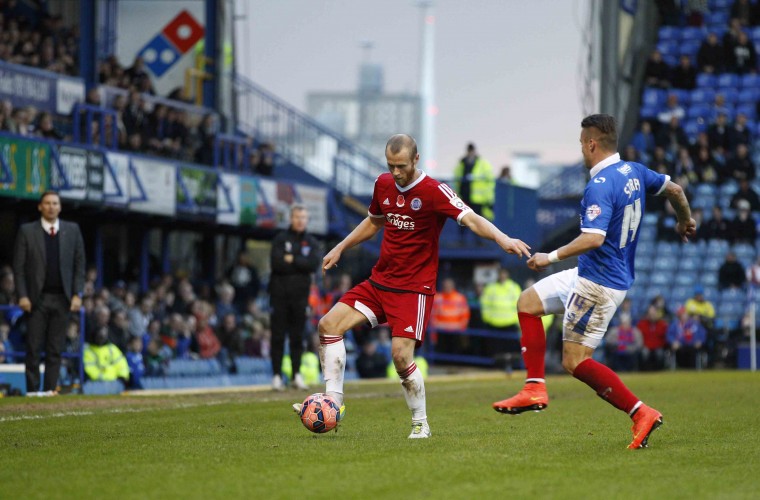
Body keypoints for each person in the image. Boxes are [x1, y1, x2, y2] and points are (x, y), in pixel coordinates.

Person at [293, 134, 531, 438]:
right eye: (390, 165)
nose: (395, 172)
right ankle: (333, 404)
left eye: (401, 166)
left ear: (416, 160)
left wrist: (503, 239)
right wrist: (341, 247)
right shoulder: (383, 184)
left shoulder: (434, 190)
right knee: (328, 325)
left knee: (401, 356)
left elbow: (470, 219)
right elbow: (374, 221)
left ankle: (421, 422)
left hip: (413, 289)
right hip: (381, 281)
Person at [492, 114, 696, 450]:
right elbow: (674, 189)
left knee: (574, 360)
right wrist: (685, 221)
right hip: (590, 273)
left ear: (591, 143)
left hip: (598, 284)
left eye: (581, 145)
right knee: (527, 302)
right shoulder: (635, 170)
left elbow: (593, 238)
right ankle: (533, 387)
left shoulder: (600, 185)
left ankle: (640, 412)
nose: (581, 151)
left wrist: (549, 257)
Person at [13, 191, 85, 395]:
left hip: (63, 299)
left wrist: (78, 294)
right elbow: (18, 267)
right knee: (33, 348)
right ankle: (33, 392)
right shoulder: (27, 231)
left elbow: (80, 265)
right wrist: (23, 295)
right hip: (36, 299)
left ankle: (50, 391)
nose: (51, 207)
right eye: (47, 203)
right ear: (40, 207)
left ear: (60, 207)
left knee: (56, 349)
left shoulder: (72, 230)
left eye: (55, 203)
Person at [269, 204, 321, 391]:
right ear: (291, 218)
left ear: (307, 220)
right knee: (278, 336)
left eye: (303, 217)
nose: (300, 220)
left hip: (300, 297)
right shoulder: (280, 239)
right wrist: (301, 263)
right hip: (279, 295)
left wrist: (293, 259)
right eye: (297, 217)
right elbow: (277, 264)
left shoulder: (312, 242)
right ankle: (276, 376)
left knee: (297, 337)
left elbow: (313, 265)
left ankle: (296, 375)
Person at [453, 143, 495, 220]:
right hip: (464, 197)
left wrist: (488, 198)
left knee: (477, 220)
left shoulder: (483, 164)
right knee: (463, 221)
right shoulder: (461, 164)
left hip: (478, 199)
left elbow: (490, 181)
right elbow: (457, 179)